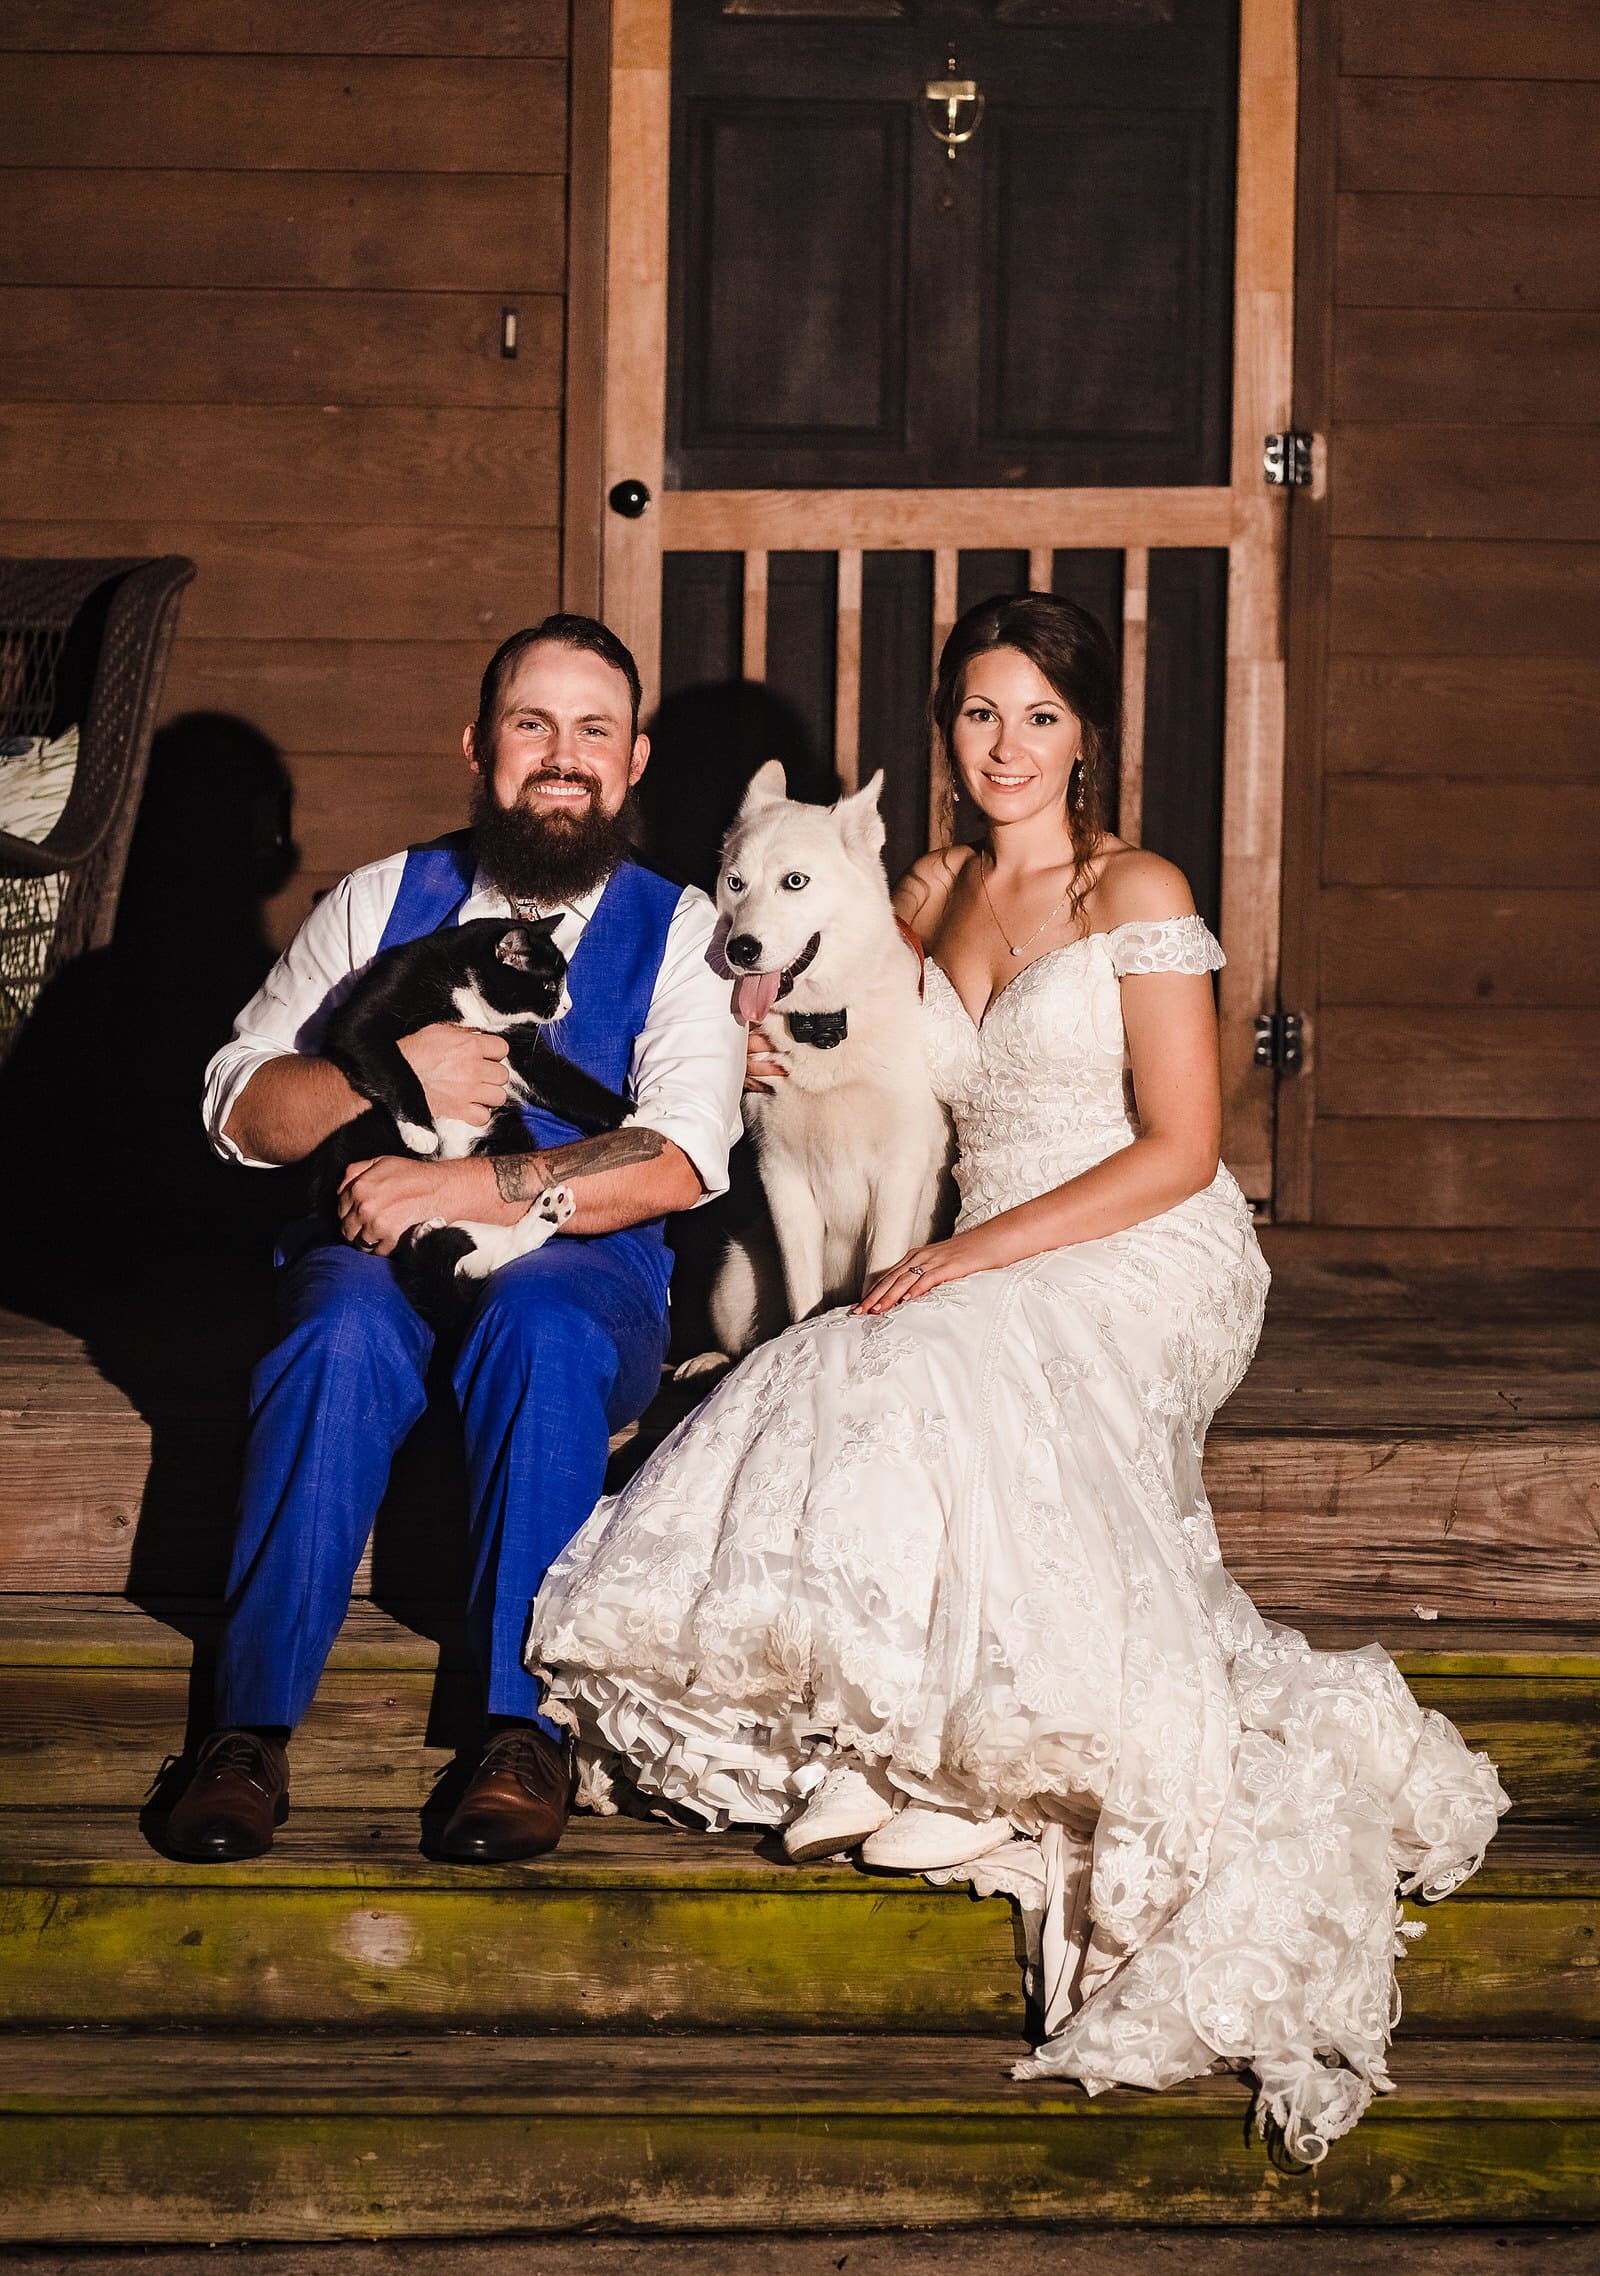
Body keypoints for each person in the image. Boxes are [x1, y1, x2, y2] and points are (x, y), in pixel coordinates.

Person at [526, 592, 1507, 2162]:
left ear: (1084, 733)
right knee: (831, 1361)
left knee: (934, 1343)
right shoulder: (935, 897)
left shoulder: (1139, 890)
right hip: (980, 1254)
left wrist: (978, 1257)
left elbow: (1187, 1149)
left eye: (1038, 717)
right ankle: (898, 1748)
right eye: (980, 715)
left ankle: (1009, 1757)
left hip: (1146, 1243)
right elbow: (864, 1051)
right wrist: (771, 1057)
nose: (1007, 745)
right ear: (947, 731)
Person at [163, 615, 745, 1865]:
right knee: (330, 1334)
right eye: (532, 724)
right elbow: (238, 1111)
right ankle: (245, 1732)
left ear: (634, 759)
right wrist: (385, 1083)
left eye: (594, 730)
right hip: (369, 1245)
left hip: (578, 1263)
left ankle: (515, 1733)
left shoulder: (683, 927)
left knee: (537, 1331)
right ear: (478, 745)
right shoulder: (380, 899)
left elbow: (680, 1154)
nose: (562, 756)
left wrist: (477, 1186)